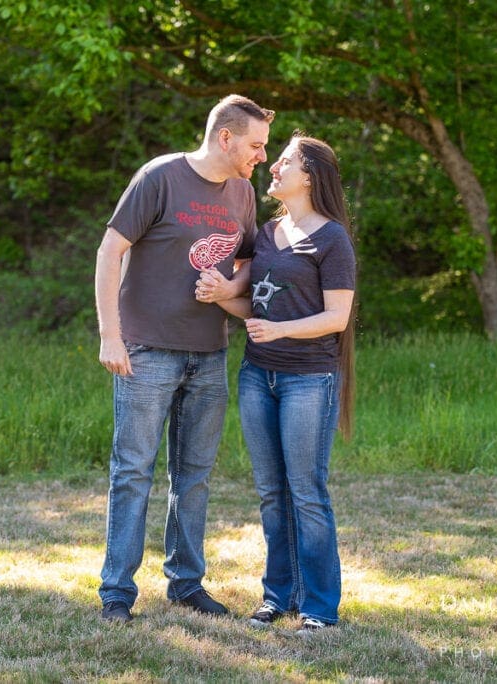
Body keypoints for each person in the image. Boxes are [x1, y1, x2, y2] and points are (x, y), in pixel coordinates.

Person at [94, 94, 275, 623]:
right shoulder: (160, 177)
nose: (261, 156)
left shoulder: (242, 192)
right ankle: (116, 594)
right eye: (256, 145)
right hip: (146, 350)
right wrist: (111, 335)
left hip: (209, 354)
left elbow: (246, 264)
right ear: (226, 138)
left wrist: (227, 287)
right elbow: (110, 251)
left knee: (193, 476)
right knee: (133, 472)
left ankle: (187, 583)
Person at [198, 134, 356, 635]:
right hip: (257, 377)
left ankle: (321, 608)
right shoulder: (266, 233)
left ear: (309, 176)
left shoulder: (332, 239)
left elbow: (336, 317)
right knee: (271, 493)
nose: (273, 166)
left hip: (309, 379)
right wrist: (221, 295)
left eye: (283, 161)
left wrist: (281, 330)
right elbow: (255, 307)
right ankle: (278, 597)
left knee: (306, 492)